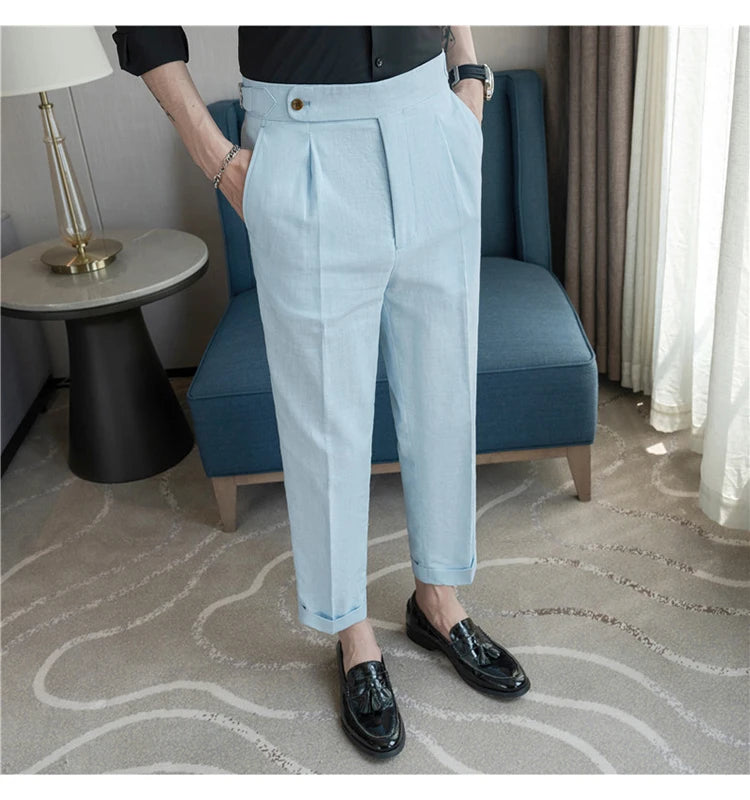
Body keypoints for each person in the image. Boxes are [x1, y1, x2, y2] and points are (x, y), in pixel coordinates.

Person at [112, 25, 530, 759]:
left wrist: (468, 75)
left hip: (431, 123)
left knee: (443, 391)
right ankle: (352, 632)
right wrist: (218, 159)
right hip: (305, 138)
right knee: (324, 418)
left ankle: (438, 600)